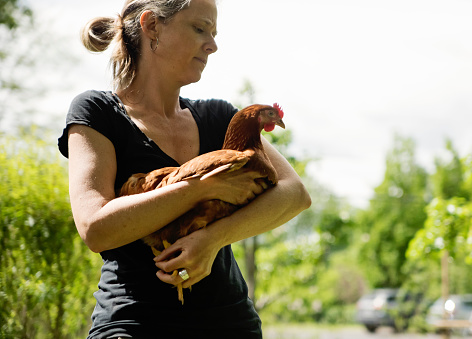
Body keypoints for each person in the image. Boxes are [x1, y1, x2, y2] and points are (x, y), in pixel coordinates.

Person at [57, 0, 311, 338]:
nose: (213, 45)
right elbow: (94, 227)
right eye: (200, 28)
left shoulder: (220, 118)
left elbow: (294, 194)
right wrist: (200, 188)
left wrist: (213, 239)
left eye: (214, 33)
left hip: (230, 322)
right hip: (135, 323)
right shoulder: (98, 112)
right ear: (153, 27)